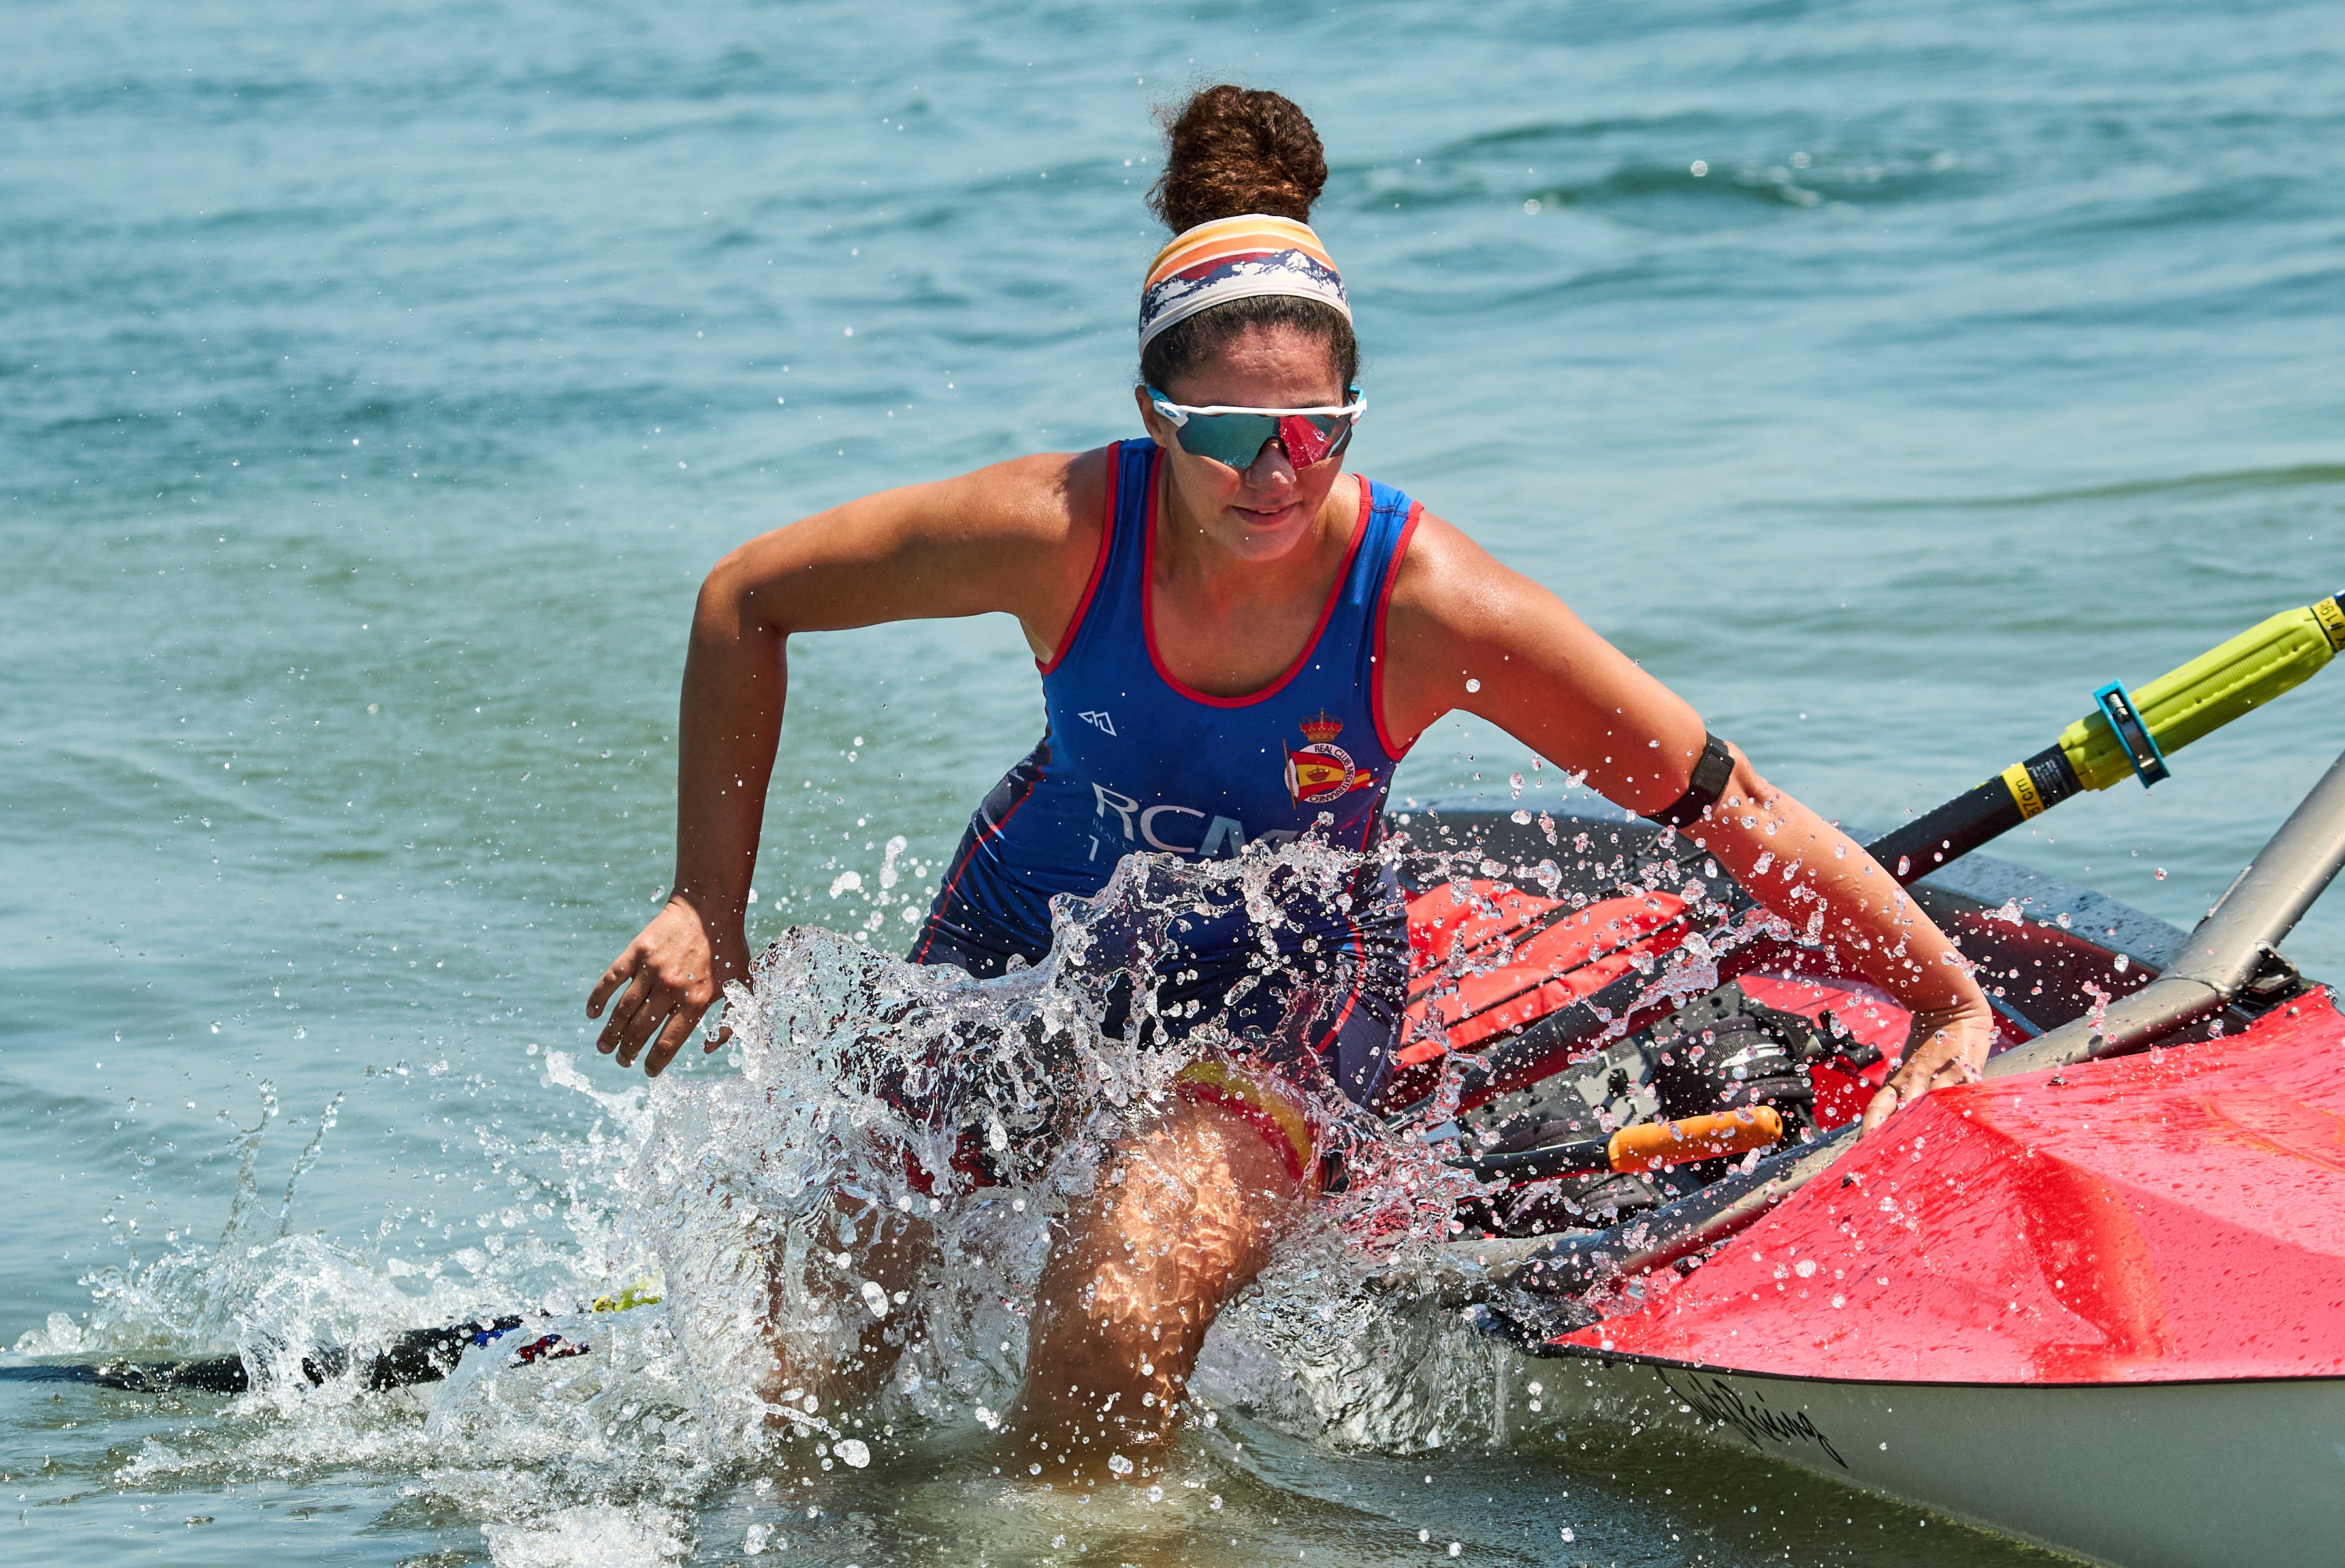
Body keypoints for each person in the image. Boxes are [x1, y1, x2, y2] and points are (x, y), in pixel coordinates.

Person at [585, 86, 1995, 1469]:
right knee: (818, 1348)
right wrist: (709, 899)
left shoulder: (1432, 607)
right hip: (1030, 934)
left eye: (1319, 429)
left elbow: (1722, 802)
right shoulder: (1058, 530)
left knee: (1114, 1310)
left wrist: (1938, 989)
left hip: (1288, 974)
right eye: (1229, 439)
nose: (1278, 473)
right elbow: (744, 599)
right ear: (1153, 418)